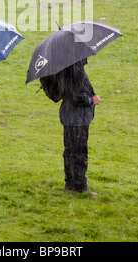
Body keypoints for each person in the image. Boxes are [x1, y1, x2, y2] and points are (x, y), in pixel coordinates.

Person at [41, 59, 101, 194]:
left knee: (69, 151)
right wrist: (92, 100)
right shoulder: (75, 70)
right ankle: (79, 187)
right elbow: (76, 95)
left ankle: (70, 183)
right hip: (77, 118)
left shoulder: (63, 68)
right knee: (79, 152)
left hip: (69, 116)